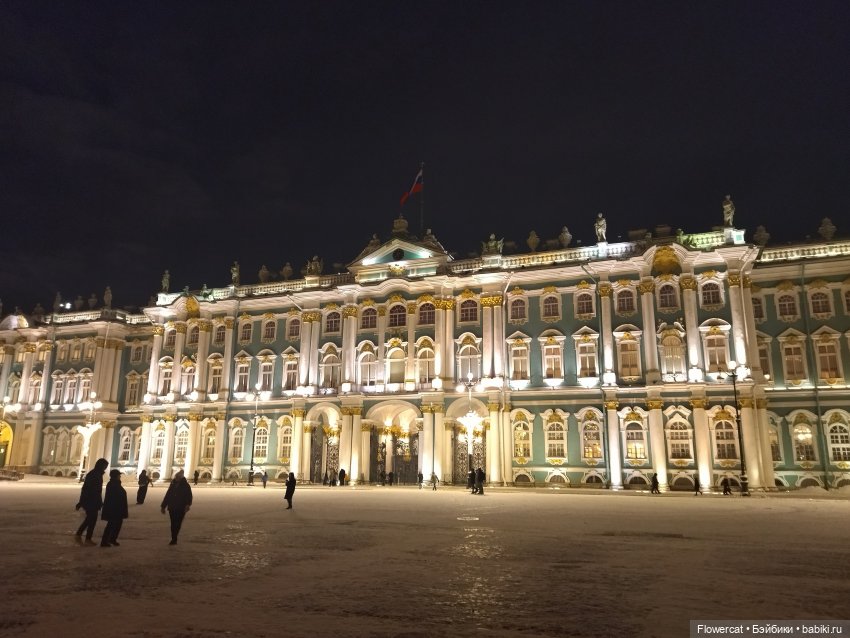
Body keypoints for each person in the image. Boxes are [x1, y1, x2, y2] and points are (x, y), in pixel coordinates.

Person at [75, 458, 109, 545]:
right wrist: (82, 501)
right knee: (92, 519)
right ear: (101, 465)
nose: (105, 468)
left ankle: (80, 533)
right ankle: (88, 538)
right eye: (105, 466)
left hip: (92, 500)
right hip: (91, 501)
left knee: (89, 519)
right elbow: (88, 489)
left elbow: (96, 490)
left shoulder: (96, 474)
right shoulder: (94, 474)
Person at [161, 470, 193, 545]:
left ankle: (174, 538)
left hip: (181, 508)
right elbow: (168, 495)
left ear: (180, 478)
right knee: (173, 523)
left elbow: (189, 496)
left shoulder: (185, 485)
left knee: (177, 523)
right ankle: (174, 538)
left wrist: (188, 504)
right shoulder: (172, 484)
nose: (175, 478)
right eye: (175, 477)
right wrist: (163, 506)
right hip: (172, 507)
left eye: (177, 477)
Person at [100, 469, 128, 547]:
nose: (120, 476)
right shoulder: (112, 484)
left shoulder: (116, 483)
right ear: (115, 476)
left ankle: (112, 539)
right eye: (119, 475)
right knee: (111, 525)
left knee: (117, 524)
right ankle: (104, 541)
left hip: (118, 508)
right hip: (114, 509)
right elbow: (114, 497)